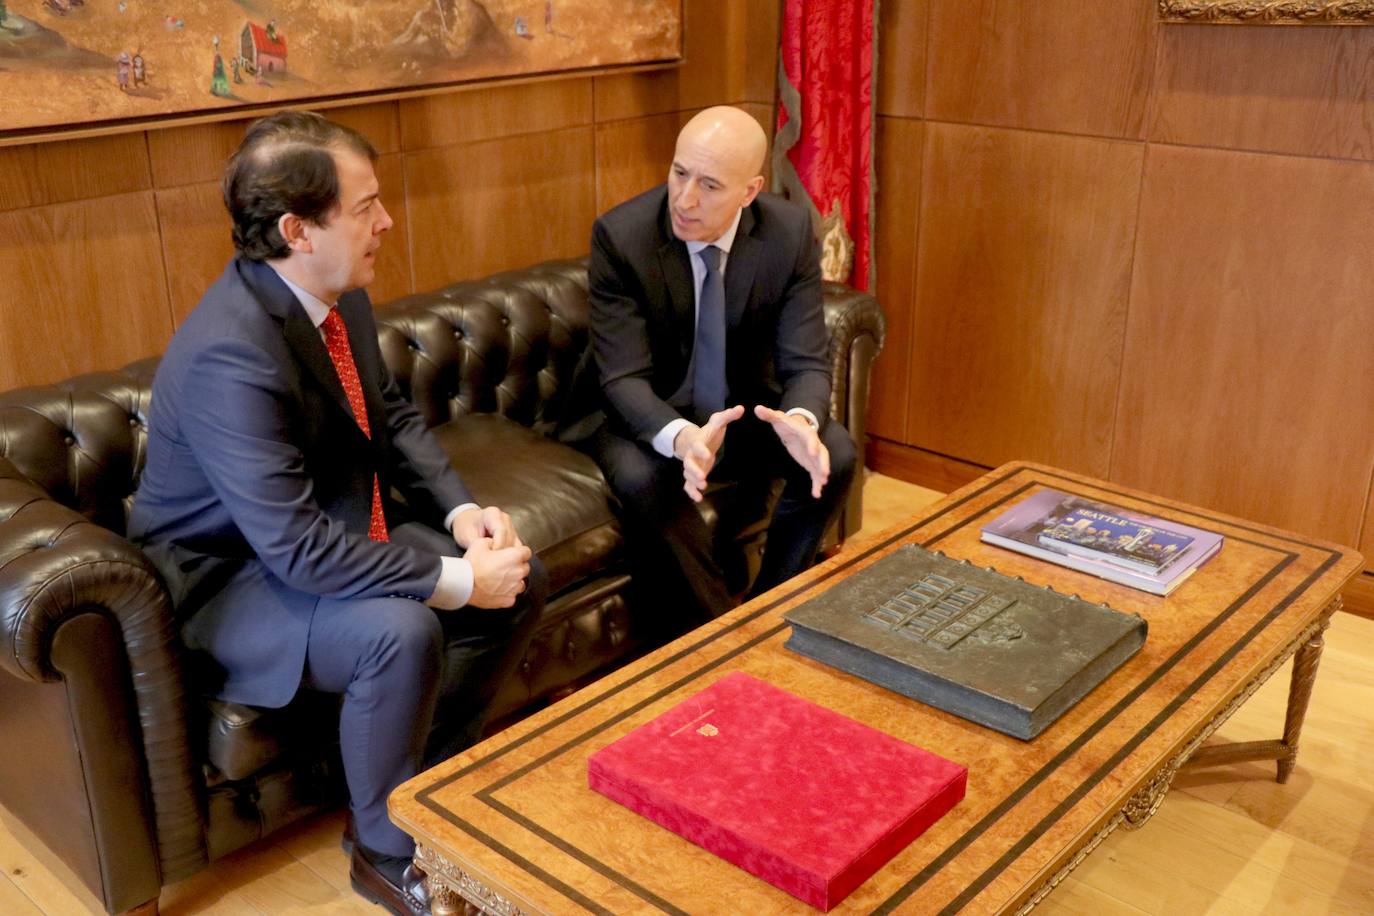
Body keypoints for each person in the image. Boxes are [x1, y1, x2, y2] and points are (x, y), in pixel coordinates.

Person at [128, 111, 544, 916]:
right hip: (229, 580)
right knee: (403, 628)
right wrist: (457, 578)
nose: (386, 222)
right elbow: (296, 551)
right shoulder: (230, 352)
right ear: (297, 230)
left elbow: (389, 416)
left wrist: (462, 517)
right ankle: (384, 850)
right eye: (365, 208)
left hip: (319, 534)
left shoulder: (334, 294)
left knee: (520, 578)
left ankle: (424, 784)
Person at [586, 105, 856, 631]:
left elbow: (805, 360)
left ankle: (772, 609)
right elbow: (622, 378)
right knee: (646, 482)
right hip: (645, 415)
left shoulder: (789, 230)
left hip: (736, 405)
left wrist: (800, 422)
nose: (684, 200)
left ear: (750, 191)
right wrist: (685, 439)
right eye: (679, 172)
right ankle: (718, 639)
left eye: (709, 185)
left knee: (836, 453)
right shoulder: (622, 237)